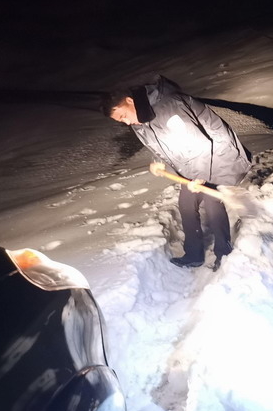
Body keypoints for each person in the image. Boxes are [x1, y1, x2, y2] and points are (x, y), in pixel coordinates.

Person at [102, 75, 251, 271]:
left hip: (218, 156)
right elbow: (162, 146)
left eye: (123, 115)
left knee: (212, 203)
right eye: (121, 121)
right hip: (193, 164)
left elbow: (200, 144)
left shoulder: (168, 108)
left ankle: (223, 254)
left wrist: (200, 178)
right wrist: (158, 163)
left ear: (130, 101)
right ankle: (194, 255)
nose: (126, 122)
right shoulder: (140, 121)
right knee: (187, 205)